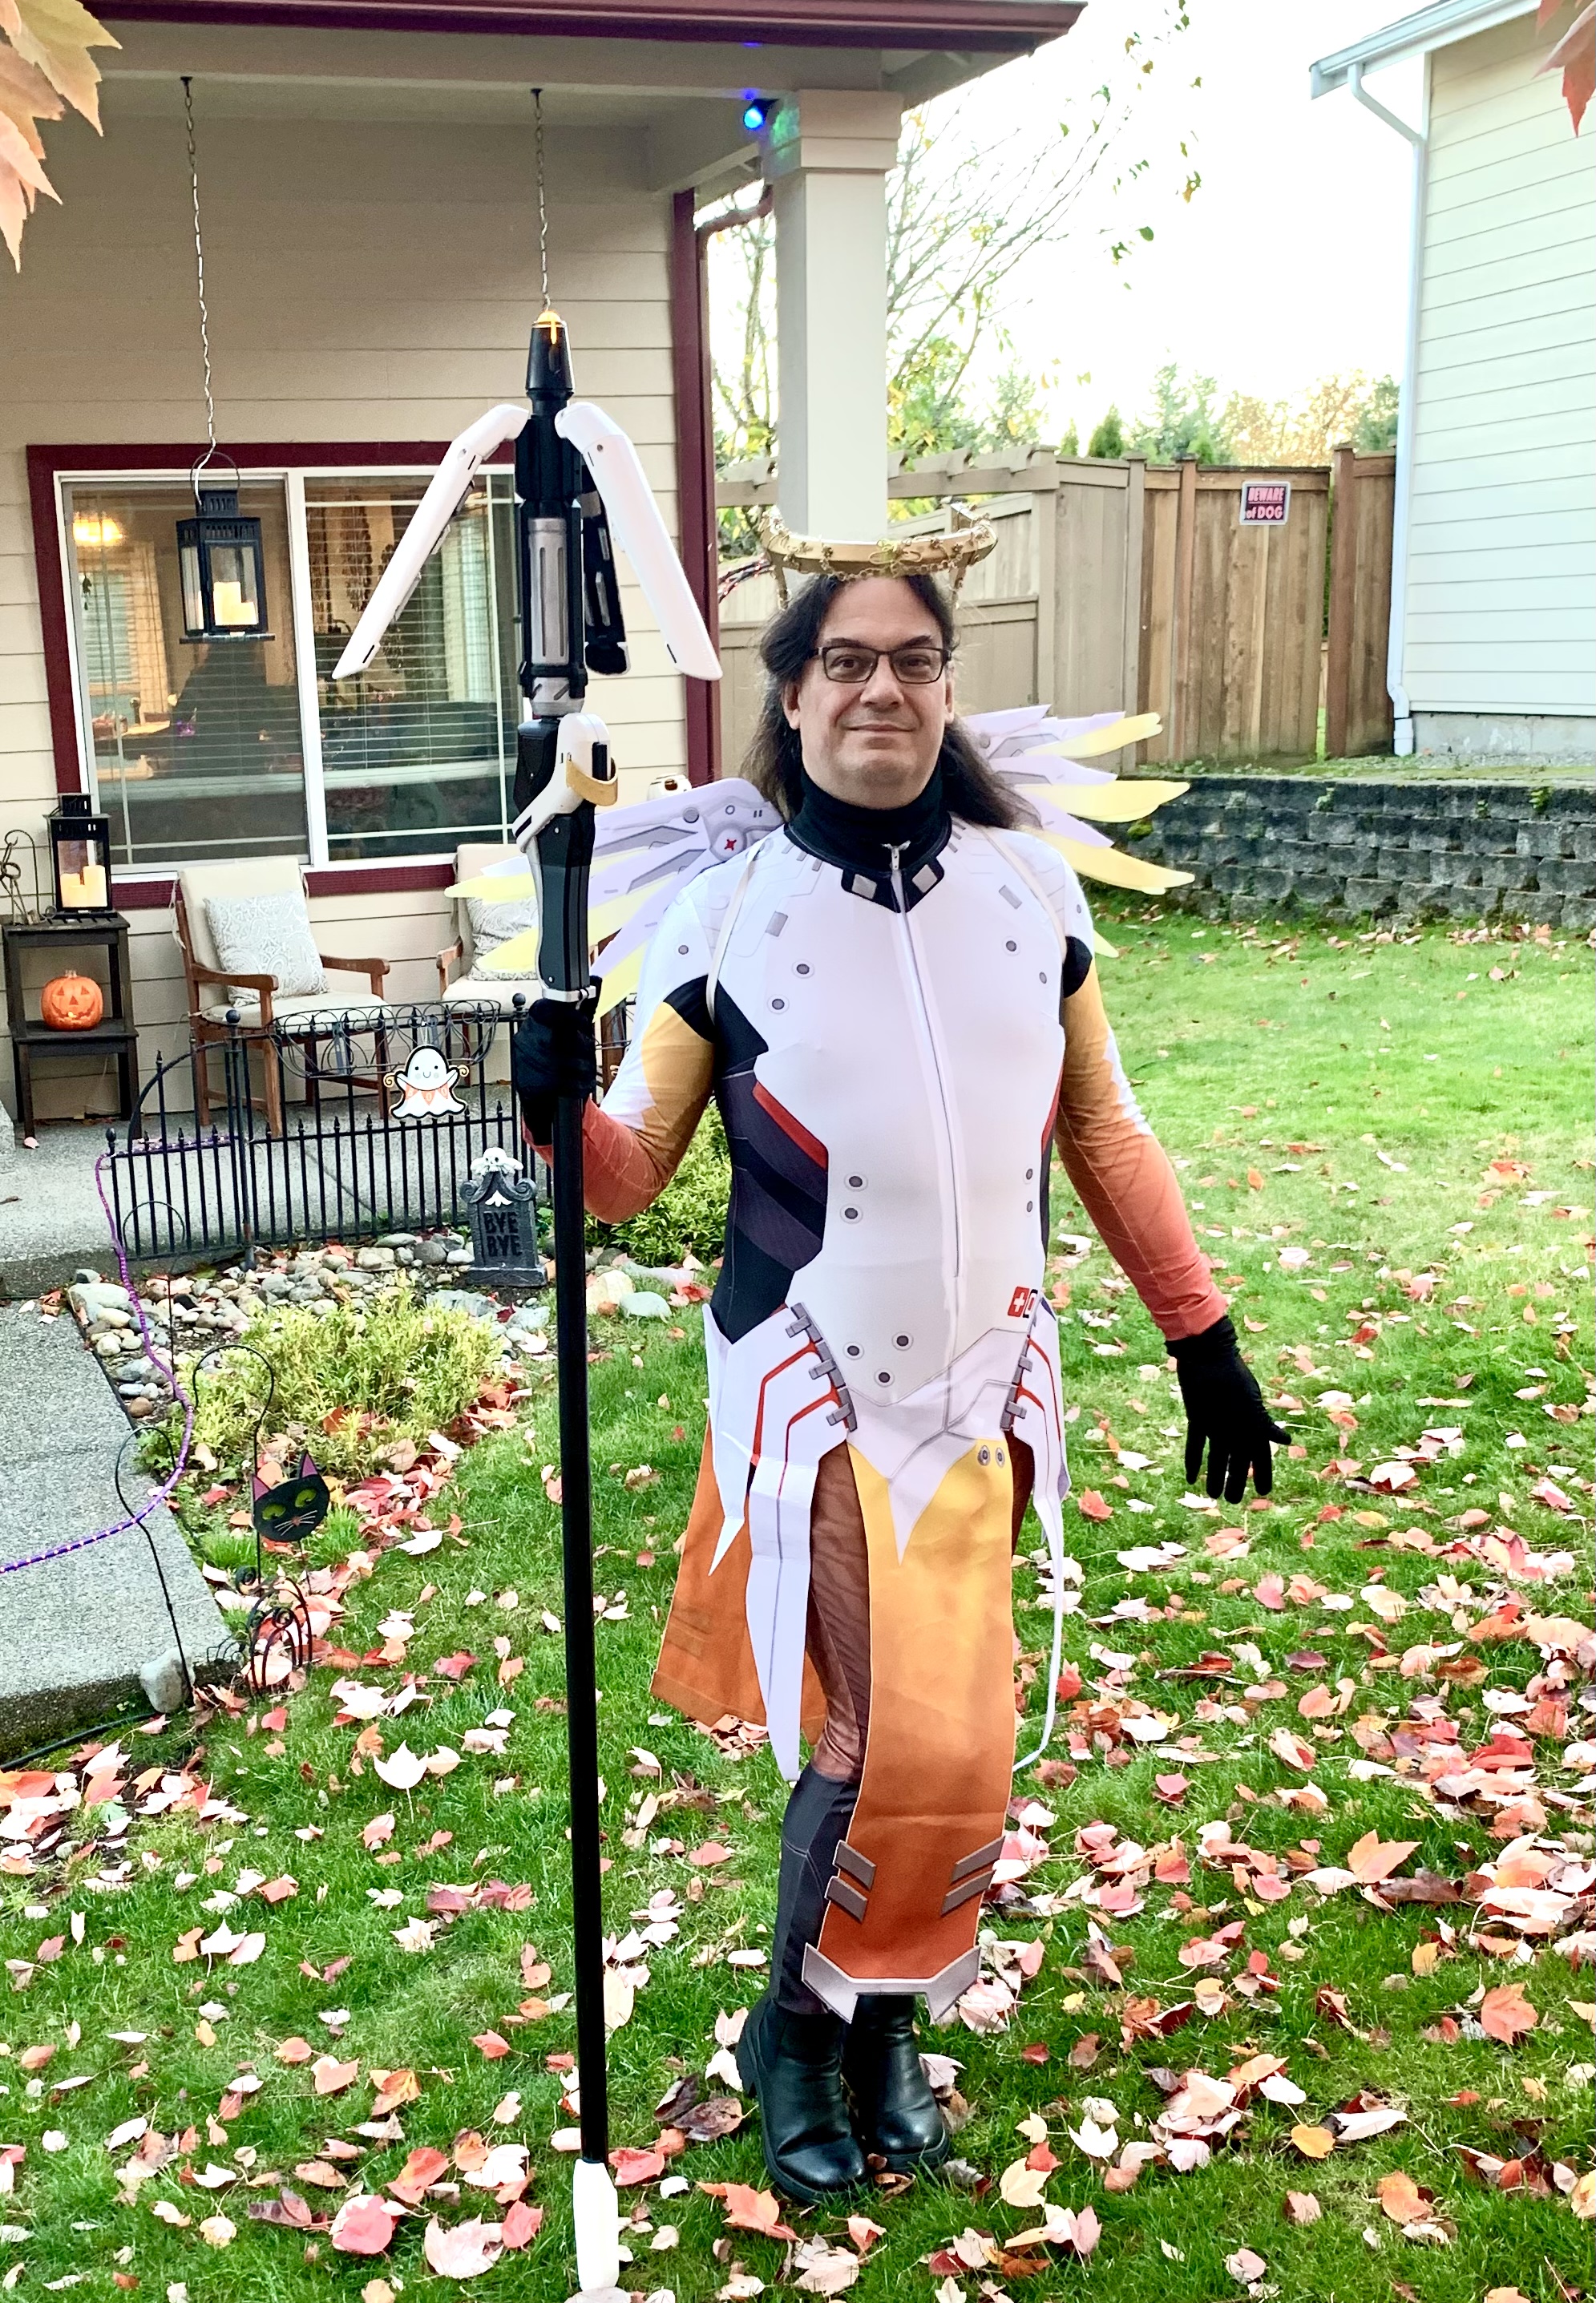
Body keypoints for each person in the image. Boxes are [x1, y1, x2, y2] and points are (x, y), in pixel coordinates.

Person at [514, 570, 1285, 2205]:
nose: (884, 689)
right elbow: (626, 1176)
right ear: (793, 696)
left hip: (991, 1380)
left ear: (946, 688)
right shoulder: (721, 918)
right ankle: (796, 2035)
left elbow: (1104, 1130)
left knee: (966, 1739)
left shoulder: (1030, 891)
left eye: (915, 662)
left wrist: (1200, 1334)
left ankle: (880, 2022)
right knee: (882, 1740)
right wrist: (550, 1103)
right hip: (814, 1384)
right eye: (848, 662)